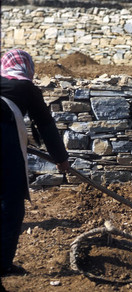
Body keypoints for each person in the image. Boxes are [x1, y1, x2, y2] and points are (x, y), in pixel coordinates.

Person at [1, 49, 70, 276]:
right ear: (27, 67)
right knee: (10, 203)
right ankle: (2, 265)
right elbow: (46, 126)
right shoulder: (26, 88)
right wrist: (61, 159)